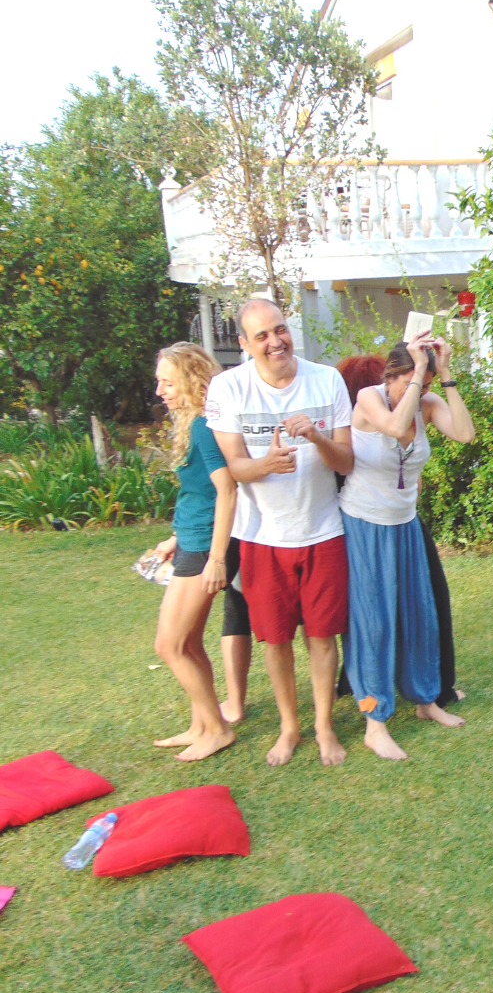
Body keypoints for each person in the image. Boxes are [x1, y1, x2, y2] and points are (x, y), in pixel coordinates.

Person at [206, 298, 354, 767]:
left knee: (323, 636)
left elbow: (346, 462)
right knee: (274, 639)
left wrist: (316, 436)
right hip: (262, 537)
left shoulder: (326, 379)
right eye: (262, 336)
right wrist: (266, 464)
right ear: (245, 344)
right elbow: (235, 467)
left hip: (323, 530)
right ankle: (290, 728)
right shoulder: (228, 387)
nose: (276, 342)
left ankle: (324, 726)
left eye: (280, 329)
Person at [339, 334, 475, 760]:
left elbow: (466, 434)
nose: (420, 391)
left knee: (420, 616)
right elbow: (396, 427)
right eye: (413, 381)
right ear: (392, 375)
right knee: (373, 625)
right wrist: (418, 372)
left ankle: (425, 700)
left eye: (426, 384)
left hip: (405, 524)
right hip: (364, 525)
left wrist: (445, 374)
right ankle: (373, 721)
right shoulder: (369, 399)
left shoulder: (427, 403)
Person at [150, 342, 247, 761]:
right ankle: (201, 725)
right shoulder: (191, 422)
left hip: (207, 546)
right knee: (187, 642)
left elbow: (228, 490)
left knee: (169, 646)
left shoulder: (206, 426)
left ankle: (218, 730)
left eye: (168, 383)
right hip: (191, 540)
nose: (160, 391)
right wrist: (174, 538)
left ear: (192, 381)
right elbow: (199, 491)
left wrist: (217, 559)